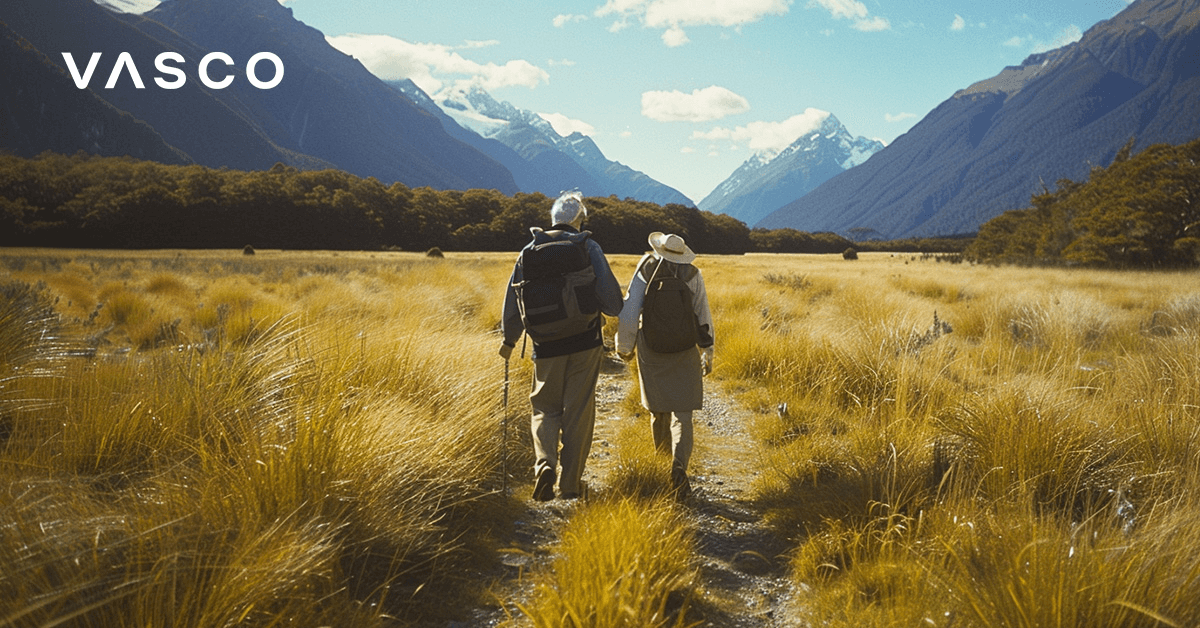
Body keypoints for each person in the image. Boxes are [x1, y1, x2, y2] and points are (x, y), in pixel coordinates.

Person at [500, 191, 623, 501]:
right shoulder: (588, 246)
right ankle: (569, 484)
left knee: (544, 408)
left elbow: (513, 300)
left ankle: (544, 465)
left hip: (545, 343)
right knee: (579, 411)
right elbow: (611, 303)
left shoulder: (530, 249)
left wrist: (509, 340)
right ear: (579, 220)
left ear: (553, 218)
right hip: (585, 342)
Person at [615, 232, 714, 499]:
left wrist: (624, 347)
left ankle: (662, 465)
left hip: (652, 347)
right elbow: (703, 314)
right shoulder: (693, 274)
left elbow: (629, 312)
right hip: (685, 349)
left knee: (658, 412)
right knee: (683, 413)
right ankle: (678, 467)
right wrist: (708, 351)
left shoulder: (646, 268)